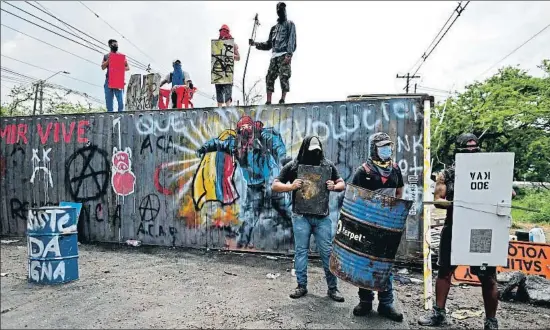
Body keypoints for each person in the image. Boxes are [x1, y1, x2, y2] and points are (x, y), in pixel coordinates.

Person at [418, 133, 516, 330]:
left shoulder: (492, 169)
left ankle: (491, 321)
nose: (472, 150)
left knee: (488, 277)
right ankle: (439, 314)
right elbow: (438, 199)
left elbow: (509, 193)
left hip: (482, 228)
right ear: (459, 150)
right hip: (455, 227)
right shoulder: (447, 174)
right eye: (467, 147)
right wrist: (456, 203)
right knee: (445, 271)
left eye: (475, 147)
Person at [196, 115, 292, 248]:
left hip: (270, 181)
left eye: (248, 126)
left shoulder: (263, 136)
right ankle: (242, 245)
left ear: (253, 127)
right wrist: (204, 148)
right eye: (243, 127)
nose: (246, 129)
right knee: (250, 216)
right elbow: (218, 143)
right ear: (239, 130)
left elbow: (277, 145)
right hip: (254, 185)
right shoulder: (235, 143)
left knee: (285, 208)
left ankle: (299, 235)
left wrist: (283, 158)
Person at [272, 136, 345, 302]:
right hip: (301, 217)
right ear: (305, 149)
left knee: (327, 253)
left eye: (317, 151)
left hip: (322, 217)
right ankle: (301, 286)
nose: (315, 154)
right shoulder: (294, 166)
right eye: (312, 151)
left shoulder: (327, 165)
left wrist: (334, 186)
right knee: (301, 252)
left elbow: (342, 183)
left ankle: (333, 289)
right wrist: (290, 186)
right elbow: (275, 185)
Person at [350, 132, 405, 322]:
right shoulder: (363, 171)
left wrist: (393, 218)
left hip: (388, 227)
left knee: (385, 266)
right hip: (367, 226)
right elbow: (354, 198)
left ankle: (386, 304)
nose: (386, 149)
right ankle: (365, 302)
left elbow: (399, 194)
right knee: (366, 264)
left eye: (388, 146)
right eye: (382, 146)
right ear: (374, 148)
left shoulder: (396, 169)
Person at [249, 2, 296, 105]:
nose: (281, 11)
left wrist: (289, 54)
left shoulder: (290, 24)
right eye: (279, 9)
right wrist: (255, 44)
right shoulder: (274, 28)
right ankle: (268, 101)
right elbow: (268, 44)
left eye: (282, 9)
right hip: (274, 56)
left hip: (284, 54)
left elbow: (292, 40)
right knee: (269, 77)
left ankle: (282, 99)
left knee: (284, 77)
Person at [101, 39, 129, 112]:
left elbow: (127, 68)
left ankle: (121, 115)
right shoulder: (106, 56)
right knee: (109, 101)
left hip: (118, 80)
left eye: (117, 45)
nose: (116, 46)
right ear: (110, 45)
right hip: (109, 80)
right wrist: (108, 61)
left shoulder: (121, 56)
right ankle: (110, 115)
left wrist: (119, 67)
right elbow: (102, 67)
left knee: (121, 102)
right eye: (114, 45)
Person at [215, 24, 240, 107]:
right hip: (218, 71)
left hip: (228, 71)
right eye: (222, 31)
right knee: (219, 92)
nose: (223, 33)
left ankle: (228, 109)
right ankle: (219, 110)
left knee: (227, 92)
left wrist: (231, 56)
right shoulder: (217, 44)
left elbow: (238, 57)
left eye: (225, 31)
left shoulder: (232, 44)